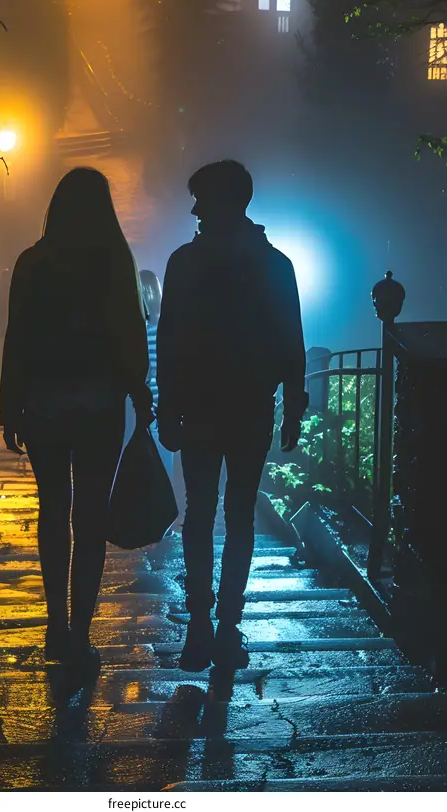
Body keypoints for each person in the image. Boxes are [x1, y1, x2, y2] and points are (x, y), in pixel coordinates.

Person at [0, 167, 153, 674]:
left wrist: (10, 403)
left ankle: (55, 625)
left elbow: (17, 337)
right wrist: (139, 391)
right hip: (100, 407)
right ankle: (82, 634)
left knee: (52, 513)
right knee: (89, 519)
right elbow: (130, 336)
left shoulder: (33, 262)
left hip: (43, 405)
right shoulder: (112, 263)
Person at [156, 160, 308, 672]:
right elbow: (292, 338)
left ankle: (200, 623)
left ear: (224, 201)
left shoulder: (185, 263)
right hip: (249, 406)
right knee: (239, 514)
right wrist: (293, 401)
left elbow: (169, 339)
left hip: (199, 405)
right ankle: (226, 626)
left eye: (201, 198)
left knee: (199, 512)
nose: (196, 208)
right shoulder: (274, 264)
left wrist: (167, 403)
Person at [0, 267, 11, 339]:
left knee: (3, 321)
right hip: (4, 307)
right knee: (4, 320)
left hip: (3, 307)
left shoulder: (1, 284)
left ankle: (3, 333)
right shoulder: (7, 284)